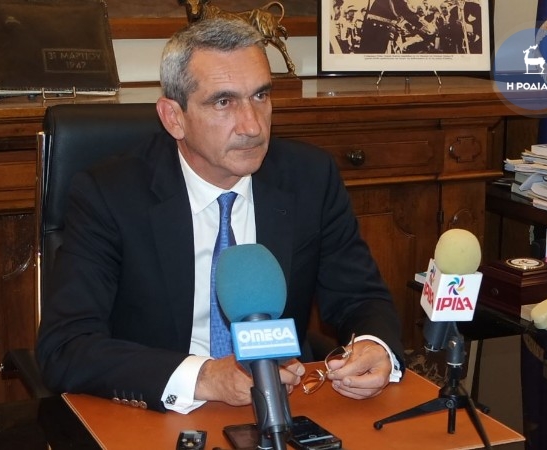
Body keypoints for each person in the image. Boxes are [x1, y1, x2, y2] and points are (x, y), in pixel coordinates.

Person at [36, 17, 404, 415]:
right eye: (223, 102)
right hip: (162, 411)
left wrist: (374, 345)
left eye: (260, 96)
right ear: (174, 117)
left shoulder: (309, 178)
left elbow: (360, 297)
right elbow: (66, 346)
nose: (252, 126)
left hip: (282, 403)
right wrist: (205, 377)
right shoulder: (109, 195)